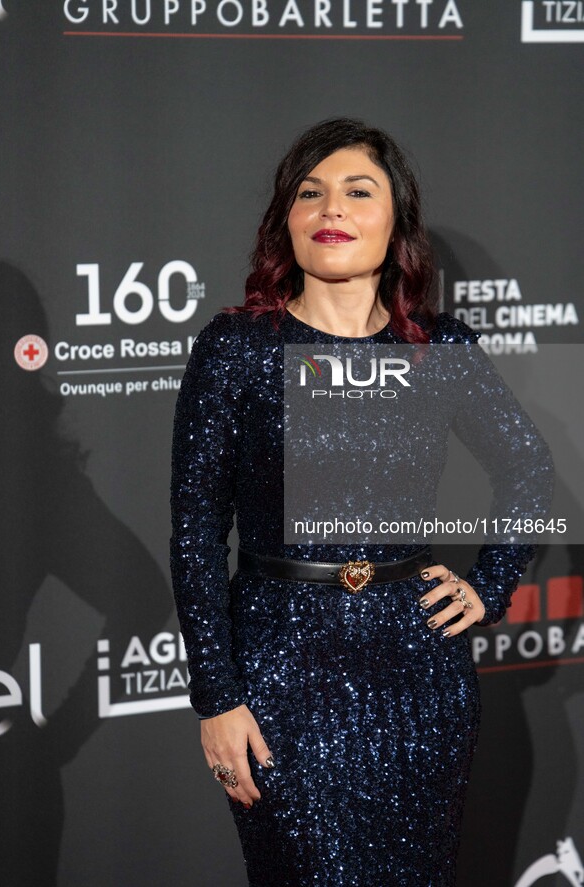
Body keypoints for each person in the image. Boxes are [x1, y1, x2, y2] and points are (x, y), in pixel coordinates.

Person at [170, 118, 553, 886]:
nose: (329, 208)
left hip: (418, 676)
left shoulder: (437, 350)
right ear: (287, 220)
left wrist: (489, 584)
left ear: (395, 220)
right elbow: (195, 529)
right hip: (280, 677)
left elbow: (529, 469)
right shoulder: (239, 347)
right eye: (308, 193)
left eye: (356, 190)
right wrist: (215, 697)